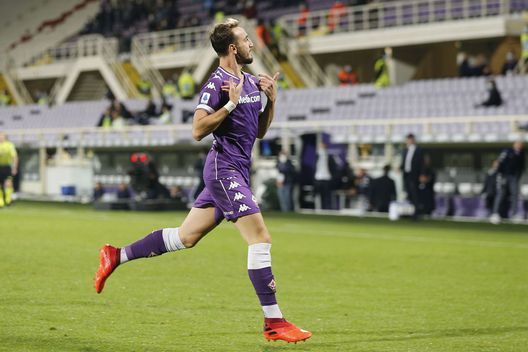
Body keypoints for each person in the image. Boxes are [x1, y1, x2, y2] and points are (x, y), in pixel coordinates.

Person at [93, 18, 312, 343]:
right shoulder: (217, 84)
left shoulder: (251, 82)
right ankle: (274, 322)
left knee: (185, 237)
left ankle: (117, 255)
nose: (252, 44)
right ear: (233, 48)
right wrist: (231, 104)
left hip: (236, 170)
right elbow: (197, 130)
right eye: (246, 39)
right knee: (260, 238)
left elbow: (259, 132)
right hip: (223, 170)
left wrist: (272, 100)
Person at [490, 141, 525, 224]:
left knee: (515, 195)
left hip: (514, 177)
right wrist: (499, 173)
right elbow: (499, 161)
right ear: (514, 144)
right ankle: (495, 214)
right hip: (504, 175)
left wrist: (518, 177)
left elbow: (521, 167)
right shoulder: (507, 151)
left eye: (521, 144)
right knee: (501, 194)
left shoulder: (521, 153)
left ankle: (514, 214)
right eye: (518, 144)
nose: (519, 145)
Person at [400, 133, 424, 220]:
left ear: (413, 140)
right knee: (408, 193)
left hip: (414, 175)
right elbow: (404, 162)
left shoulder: (419, 150)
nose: (409, 141)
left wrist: (422, 174)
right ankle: (408, 212)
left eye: (410, 139)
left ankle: (416, 213)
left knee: (415, 195)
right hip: (406, 175)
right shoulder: (405, 150)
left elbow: (422, 164)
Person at [314, 141, 337, 210]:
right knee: (319, 196)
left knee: (327, 197)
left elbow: (334, 168)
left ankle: (327, 210)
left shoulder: (329, 157)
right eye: (321, 147)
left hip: (327, 179)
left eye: (323, 147)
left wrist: (333, 177)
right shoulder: (316, 157)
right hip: (318, 179)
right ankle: (319, 209)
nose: (322, 148)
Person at [0, 132, 18, 208]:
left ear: (5, 137)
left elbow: (14, 157)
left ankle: (8, 200)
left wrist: (14, 167)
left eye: (2, 136)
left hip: (7, 167)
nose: (0, 137)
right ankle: (1, 202)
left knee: (8, 183)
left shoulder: (9, 145)